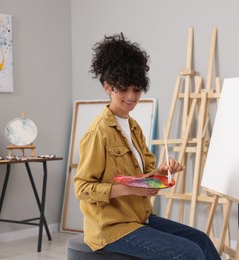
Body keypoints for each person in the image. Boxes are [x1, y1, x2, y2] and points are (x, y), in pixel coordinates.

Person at [74, 32, 221, 260]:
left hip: (139, 218)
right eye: (123, 89)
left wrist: (161, 173)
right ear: (107, 87)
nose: (131, 96)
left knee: (201, 239)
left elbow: (143, 180)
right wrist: (130, 189)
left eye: (137, 88)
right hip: (113, 228)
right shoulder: (98, 133)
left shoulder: (133, 128)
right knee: (189, 253)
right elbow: (82, 189)